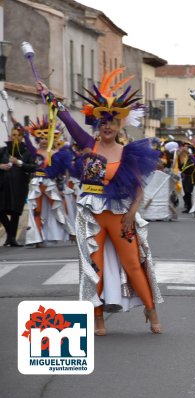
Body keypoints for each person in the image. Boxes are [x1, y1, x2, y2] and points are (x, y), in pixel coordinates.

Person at [36, 69, 163, 335]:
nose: (107, 126)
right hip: (89, 215)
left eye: (112, 122)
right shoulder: (87, 144)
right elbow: (68, 120)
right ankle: (97, 317)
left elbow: (138, 189)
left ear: (120, 126)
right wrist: (49, 97)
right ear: (97, 124)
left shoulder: (128, 152)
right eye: (103, 121)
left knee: (132, 263)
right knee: (94, 268)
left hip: (120, 215)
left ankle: (150, 309)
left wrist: (131, 214)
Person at [22, 118, 75, 247]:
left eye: (46, 138)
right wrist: (25, 134)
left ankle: (71, 232)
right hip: (36, 183)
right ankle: (38, 237)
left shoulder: (57, 153)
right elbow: (28, 144)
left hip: (49, 184)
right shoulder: (36, 152)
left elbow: (62, 171)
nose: (43, 141)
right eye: (41, 139)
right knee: (36, 210)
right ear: (38, 140)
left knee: (58, 207)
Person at [0, 121, 36, 246]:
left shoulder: (27, 152)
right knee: (1, 211)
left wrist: (20, 163)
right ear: (10, 136)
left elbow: (33, 167)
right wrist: (1, 166)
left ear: (22, 137)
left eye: (19, 135)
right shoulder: (3, 151)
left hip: (18, 186)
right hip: (3, 186)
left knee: (15, 212)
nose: (16, 137)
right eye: (14, 135)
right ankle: (10, 233)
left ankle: (12, 238)